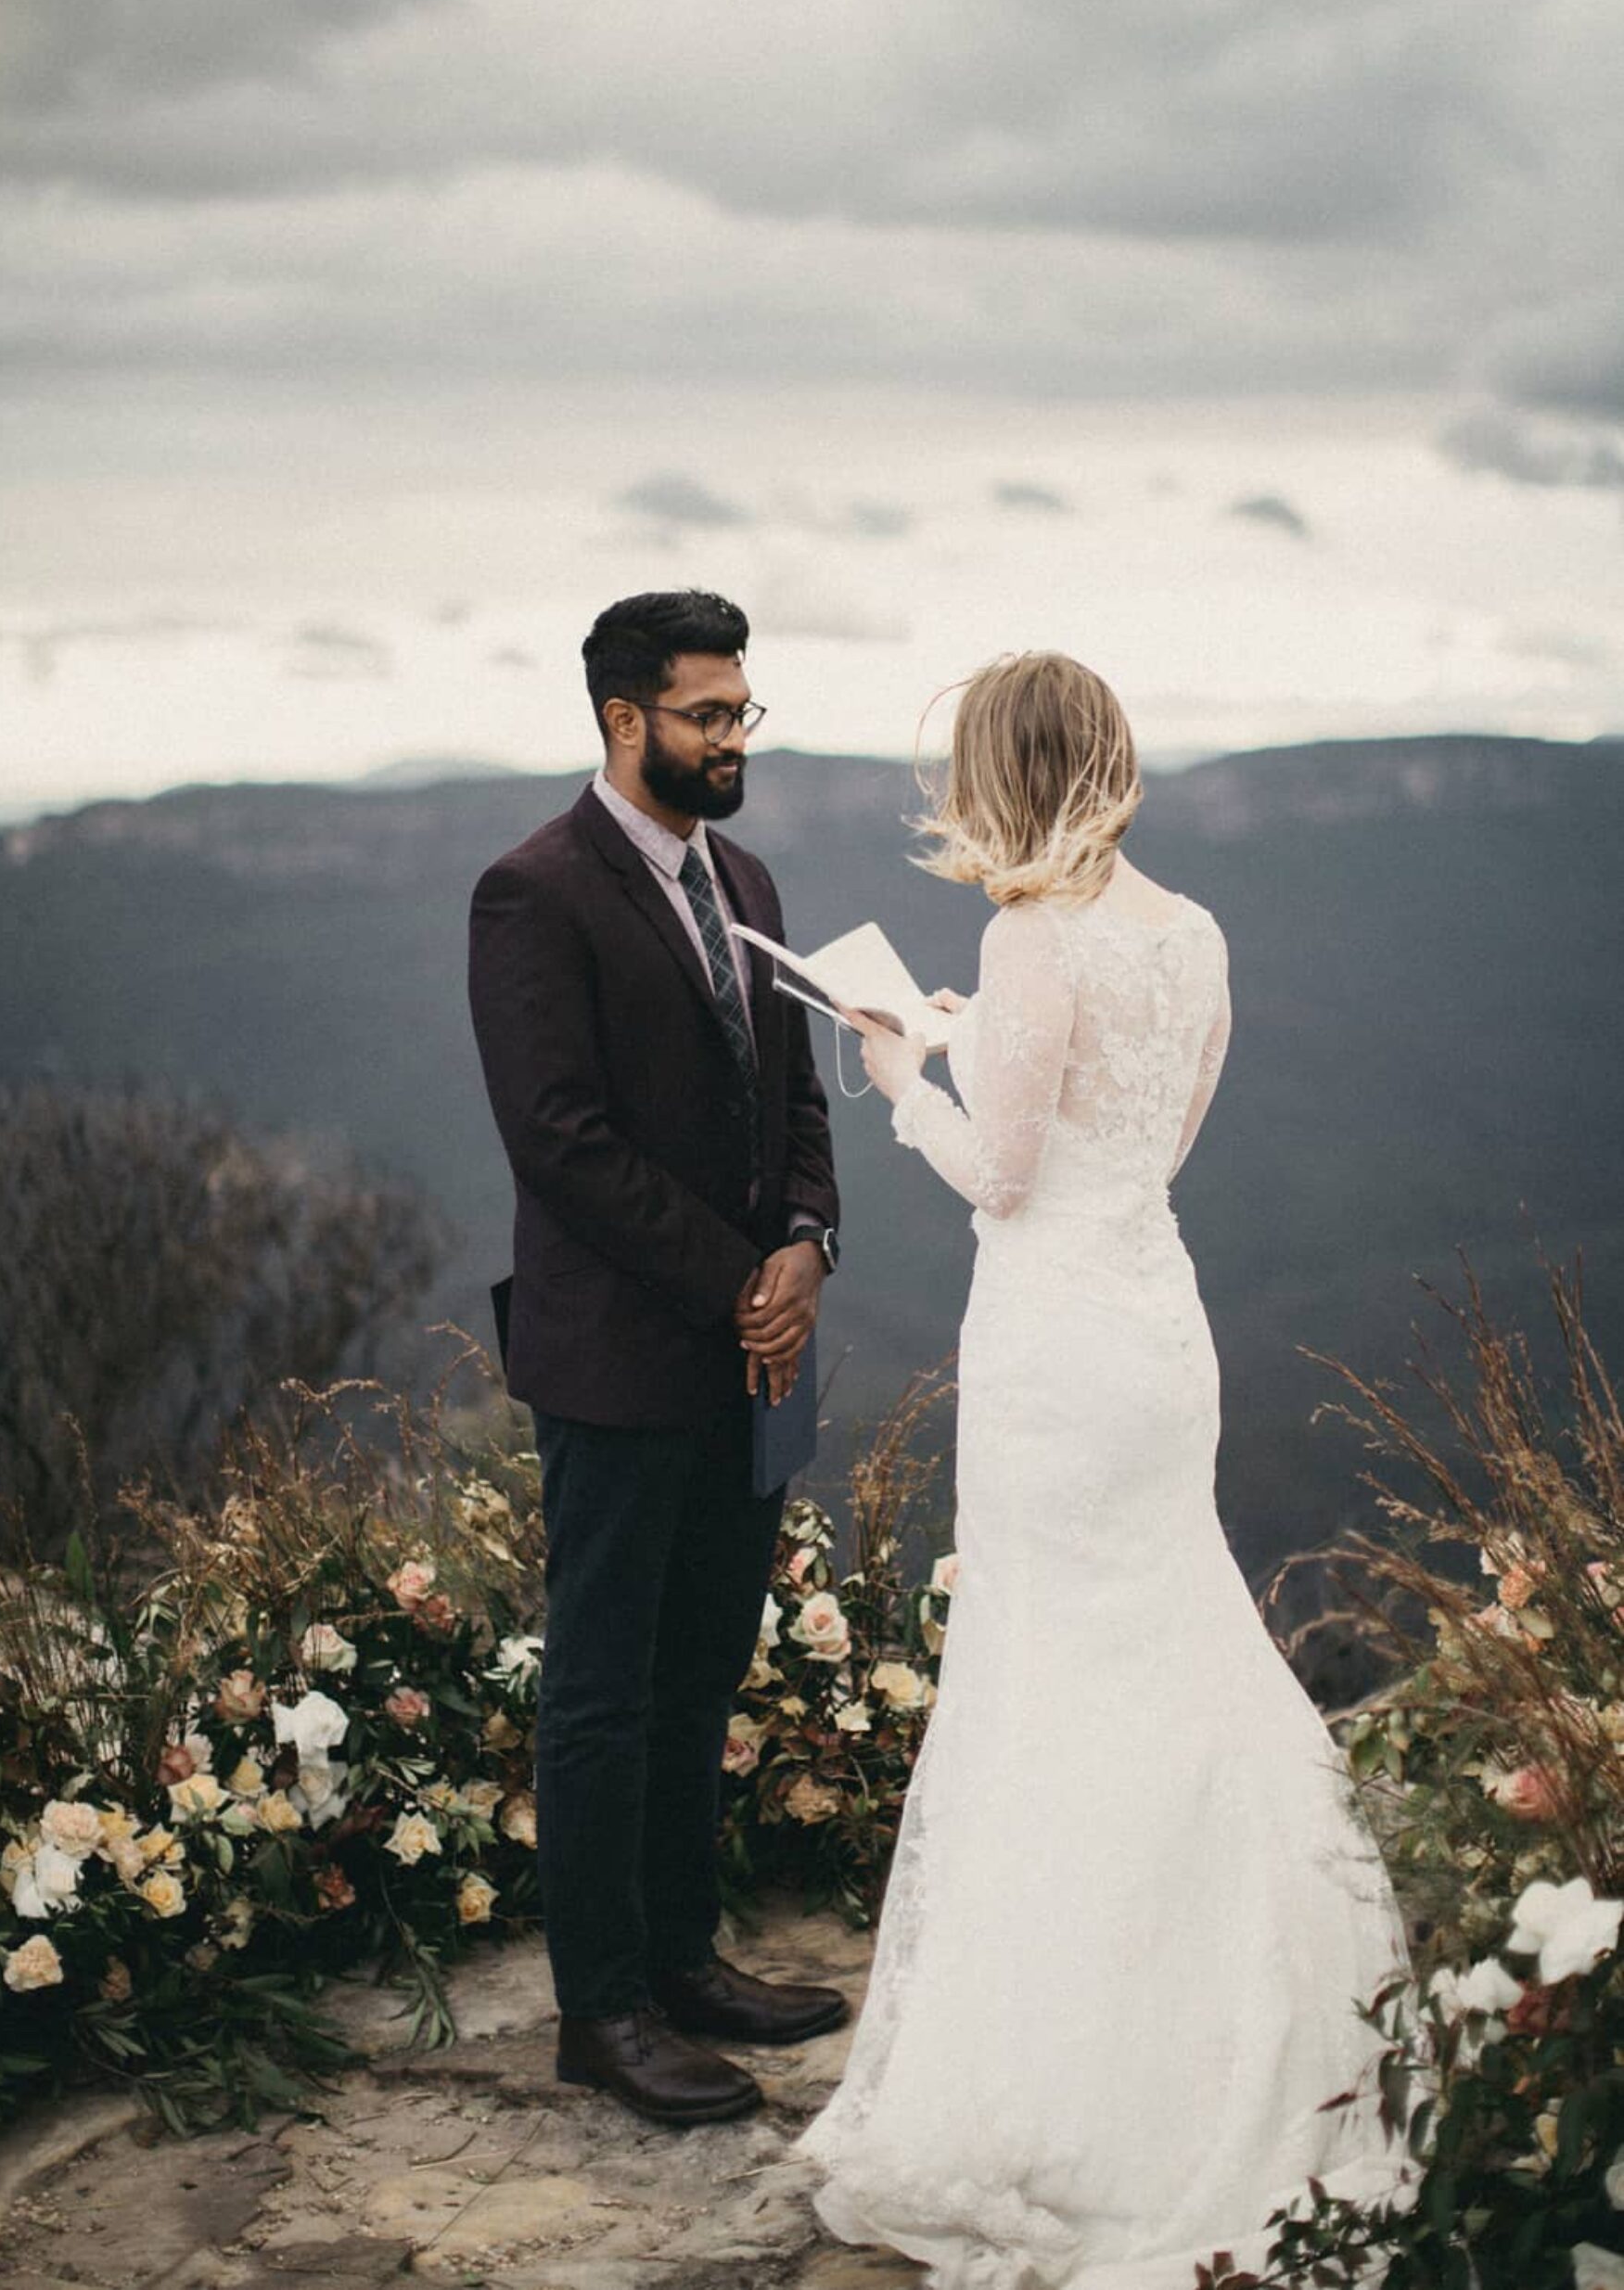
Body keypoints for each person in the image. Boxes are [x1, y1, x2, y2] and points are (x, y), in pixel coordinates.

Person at [796, 651, 1410, 2286]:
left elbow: (1005, 1178)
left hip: (1053, 1353)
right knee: (1172, 1638)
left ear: (1000, 778)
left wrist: (906, 1076)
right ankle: (1237, 2026)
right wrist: (985, 1035)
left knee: (1046, 1670)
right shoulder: (1190, 932)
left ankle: (1067, 2073)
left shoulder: (1025, 933)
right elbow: (1148, 1142)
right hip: (1157, 1331)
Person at [468, 588, 847, 2127]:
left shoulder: (742, 872)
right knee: (605, 1688)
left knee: (703, 1668)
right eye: (709, 714)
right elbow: (561, 1146)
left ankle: (687, 1962)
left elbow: (798, 1089)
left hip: (748, 1352)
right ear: (625, 721)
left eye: (743, 709)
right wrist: (739, 1283)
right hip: (623, 1359)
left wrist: (813, 1241)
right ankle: (603, 2011)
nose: (734, 737)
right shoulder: (531, 892)